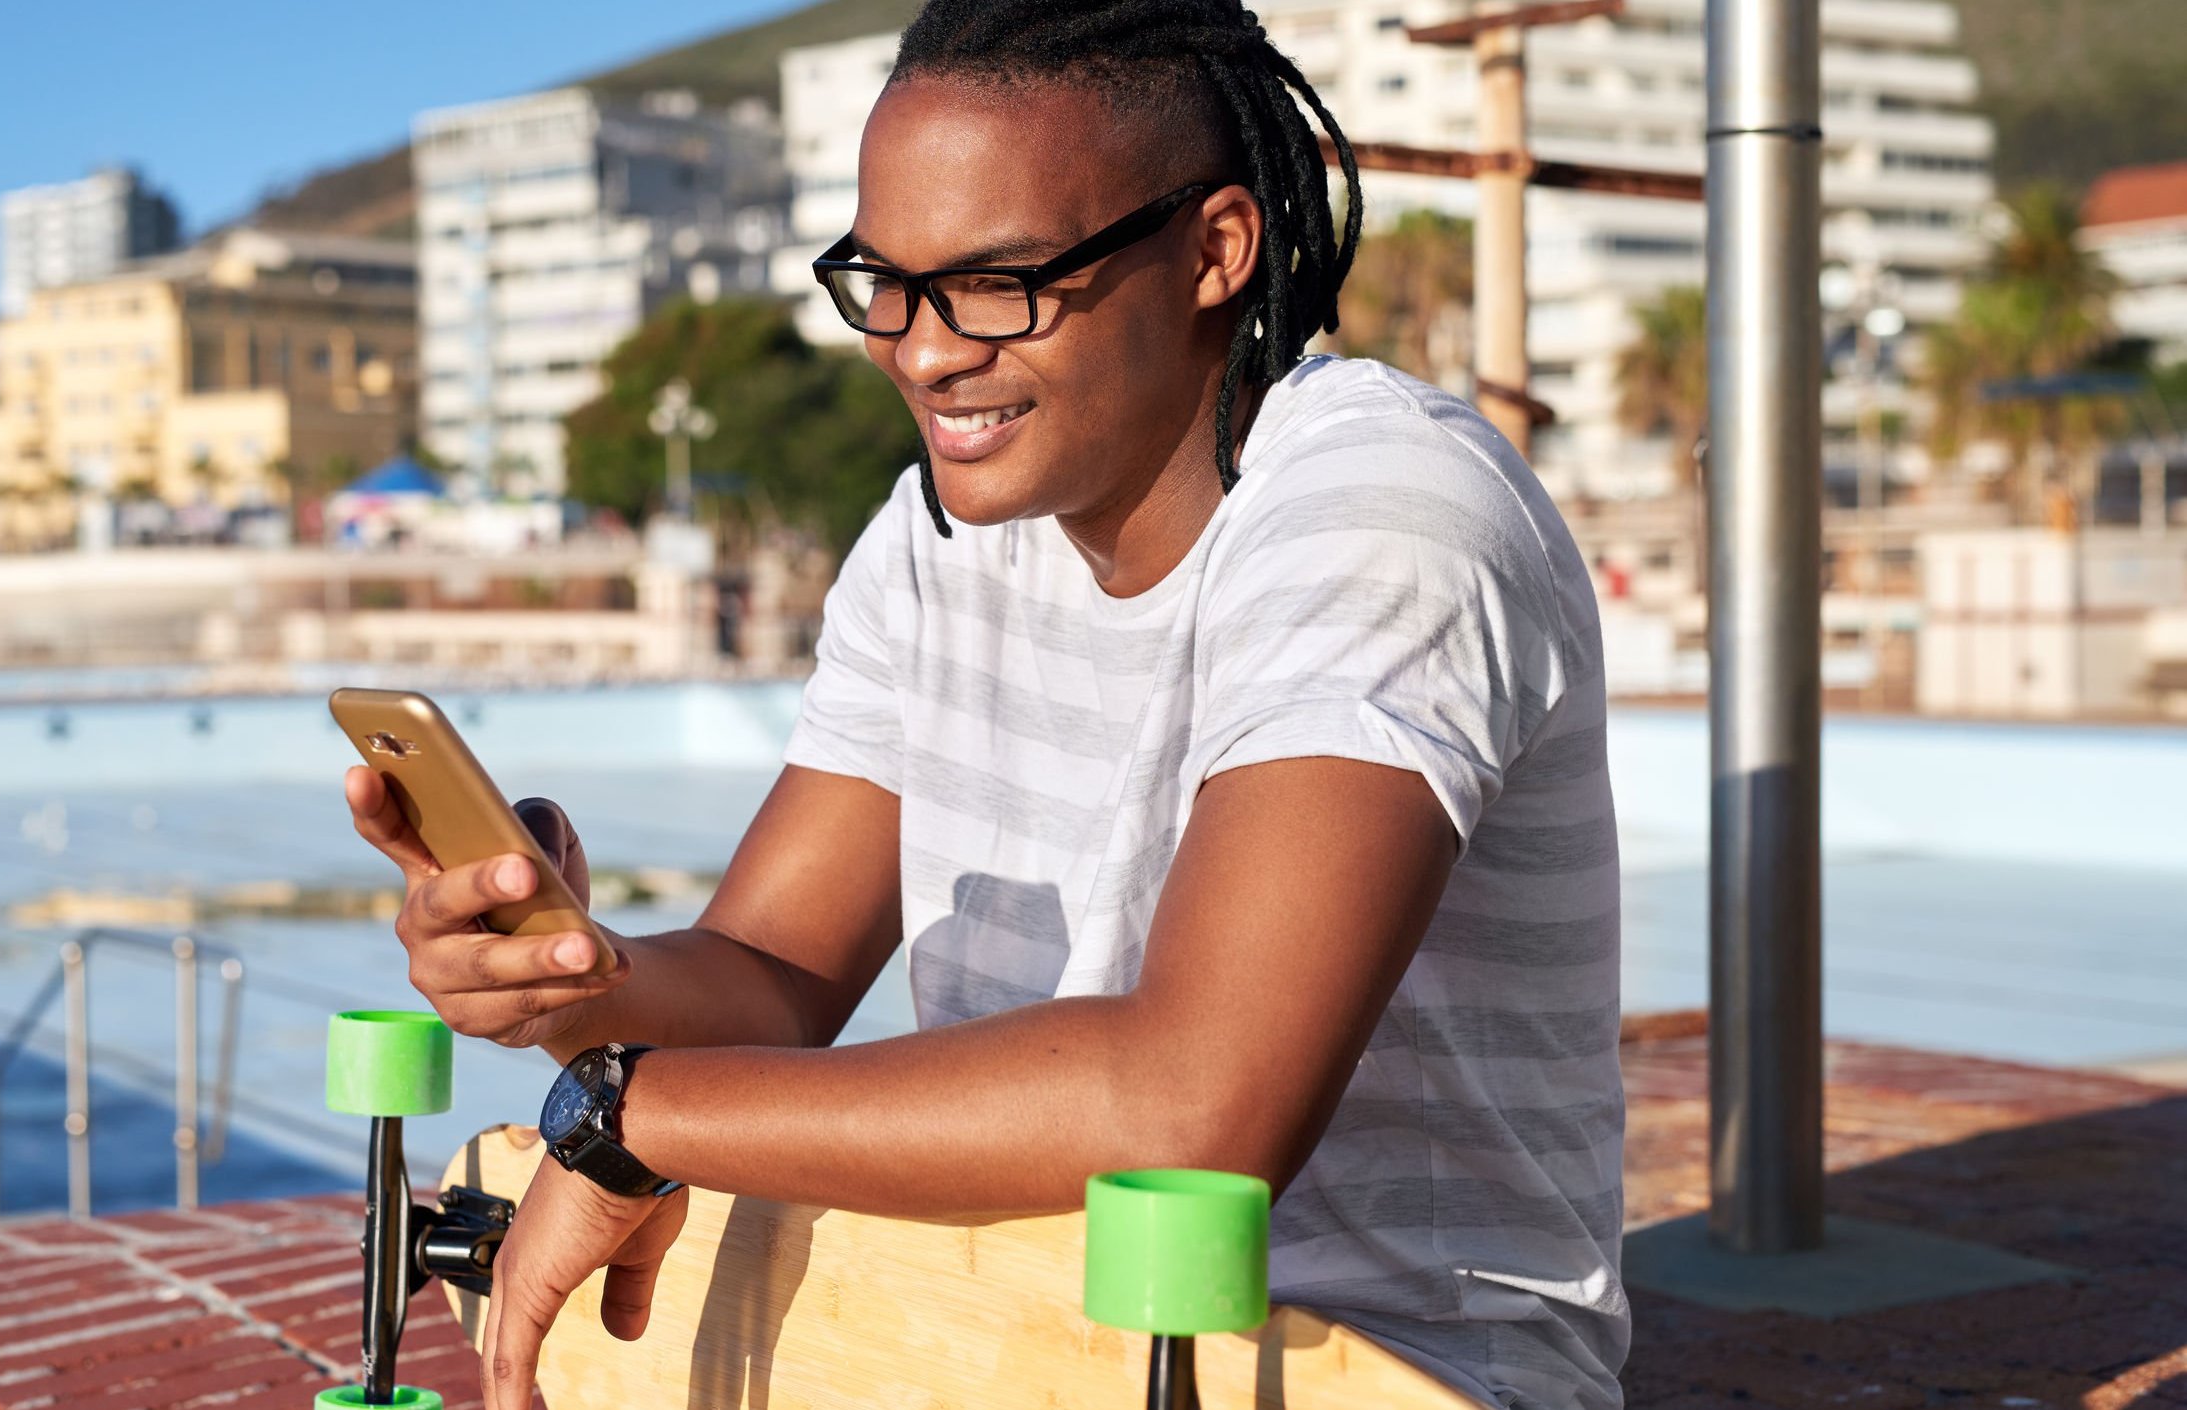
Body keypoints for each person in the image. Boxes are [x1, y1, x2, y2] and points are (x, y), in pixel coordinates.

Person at [343, 2, 1626, 1405]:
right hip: (989, 1331)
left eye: (997, 282)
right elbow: (771, 974)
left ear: (1216, 250)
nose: (924, 350)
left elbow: (1197, 1109)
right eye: (885, 281)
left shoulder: (1383, 513)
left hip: (1378, 1369)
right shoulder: (935, 539)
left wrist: (630, 1112)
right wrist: (571, 979)